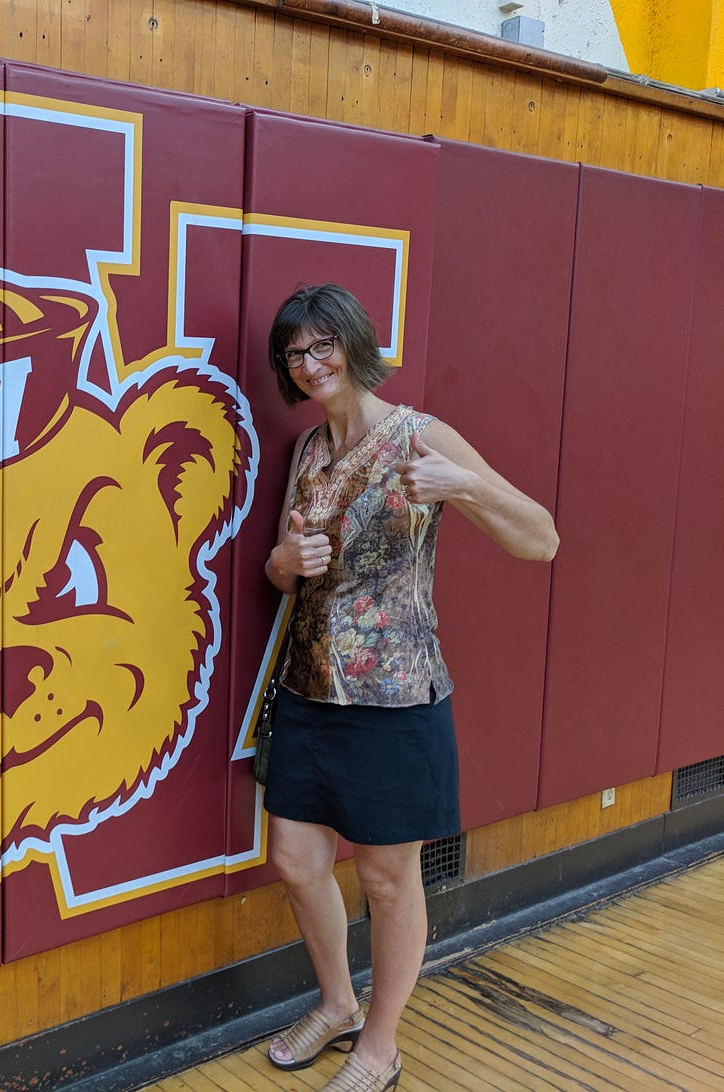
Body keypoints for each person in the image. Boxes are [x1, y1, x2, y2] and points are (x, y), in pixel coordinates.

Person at [259, 283, 558, 1092]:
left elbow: (542, 539)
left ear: (355, 344)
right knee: (294, 857)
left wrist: (463, 486)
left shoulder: (422, 436)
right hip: (309, 690)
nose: (311, 363)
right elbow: (281, 569)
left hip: (396, 699)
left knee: (389, 880)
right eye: (296, 352)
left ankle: (381, 1047)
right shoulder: (309, 451)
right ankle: (337, 1004)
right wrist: (288, 564)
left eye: (323, 345)